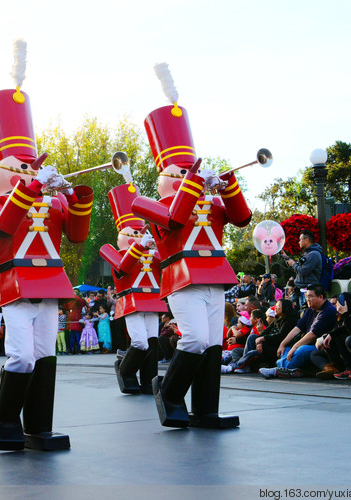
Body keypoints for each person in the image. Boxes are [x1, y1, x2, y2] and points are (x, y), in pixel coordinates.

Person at [0, 48, 93, 450]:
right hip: (14, 282)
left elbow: (77, 234)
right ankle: (2, 417)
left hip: (50, 280)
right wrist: (34, 187)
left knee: (45, 357)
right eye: (19, 167)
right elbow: (4, 224)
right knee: (20, 357)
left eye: (31, 167)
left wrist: (74, 194)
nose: (27, 172)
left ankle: (38, 425)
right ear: (1, 170)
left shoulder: (51, 201)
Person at [131, 64, 252, 429]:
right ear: (165, 176)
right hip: (182, 280)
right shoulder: (147, 204)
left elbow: (242, 217)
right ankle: (168, 393)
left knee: (213, 347)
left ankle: (205, 409)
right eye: (181, 172)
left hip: (215, 278)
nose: (189, 177)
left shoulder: (210, 203)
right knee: (196, 339)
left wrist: (228, 183)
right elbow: (176, 219)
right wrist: (196, 184)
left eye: (192, 171)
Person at [100, 182, 168, 394]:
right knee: (139, 343)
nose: (139, 235)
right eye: (135, 233)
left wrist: (158, 244)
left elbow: (165, 264)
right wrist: (139, 246)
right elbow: (122, 269)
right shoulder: (110, 250)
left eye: (142, 232)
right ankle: (125, 369)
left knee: (152, 342)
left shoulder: (152, 253)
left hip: (153, 299)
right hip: (131, 300)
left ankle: (149, 380)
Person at [259, 285, 336, 378]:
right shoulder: (310, 309)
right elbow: (297, 328)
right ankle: (288, 369)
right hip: (306, 343)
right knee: (286, 349)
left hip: (320, 345)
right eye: (307, 296)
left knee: (301, 350)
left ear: (320, 297)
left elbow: (312, 335)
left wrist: (294, 348)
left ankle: (280, 369)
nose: (307, 299)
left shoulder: (328, 311)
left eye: (310, 296)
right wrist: (282, 344)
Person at [281, 230, 323, 308]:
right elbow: (299, 268)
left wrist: (293, 264)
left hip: (308, 291)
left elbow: (303, 271)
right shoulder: (308, 254)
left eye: (300, 240)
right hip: (302, 290)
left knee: (306, 313)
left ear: (307, 240)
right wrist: (286, 258)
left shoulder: (313, 254)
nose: (299, 242)